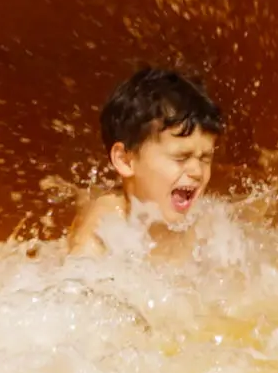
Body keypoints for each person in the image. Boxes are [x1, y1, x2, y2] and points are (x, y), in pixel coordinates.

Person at [67, 66, 225, 257]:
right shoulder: (103, 230)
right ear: (125, 160)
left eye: (205, 158)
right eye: (181, 158)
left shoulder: (204, 225)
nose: (197, 171)